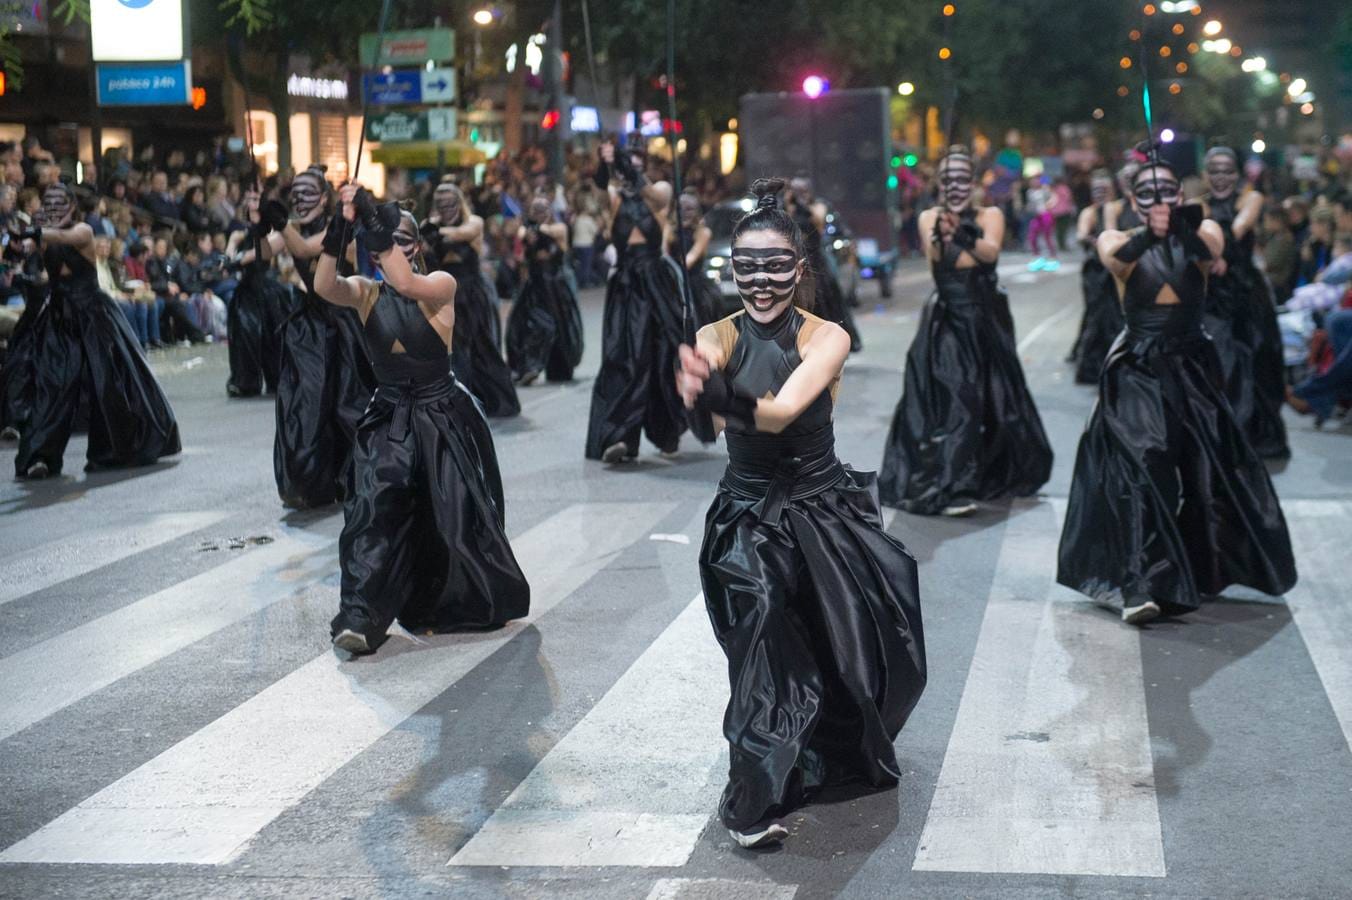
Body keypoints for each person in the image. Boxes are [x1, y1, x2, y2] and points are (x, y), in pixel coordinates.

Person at [676, 178, 925, 849]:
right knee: (757, 632)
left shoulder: (829, 339)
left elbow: (782, 411)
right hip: (747, 514)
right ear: (731, 270)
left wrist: (715, 391)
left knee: (838, 652)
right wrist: (691, 384)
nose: (762, 280)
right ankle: (754, 798)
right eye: (747, 266)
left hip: (820, 511)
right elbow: (707, 412)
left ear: (800, 267)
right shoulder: (713, 333)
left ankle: (813, 755)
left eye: (776, 265)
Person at [1057, 146, 1296, 625]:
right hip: (1137, 366)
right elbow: (1117, 257)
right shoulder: (1115, 234)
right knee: (1144, 464)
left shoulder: (1203, 228)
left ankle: (1200, 569)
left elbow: (1211, 250)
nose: (1158, 197)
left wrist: (1176, 226)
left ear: (1182, 192)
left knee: (1208, 471)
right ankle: (1139, 582)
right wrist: (1149, 232)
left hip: (1192, 363)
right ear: (1132, 196)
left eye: (1167, 189)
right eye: (1146, 191)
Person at [314, 184, 530, 655]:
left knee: (453, 520)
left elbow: (406, 283)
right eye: (390, 240)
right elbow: (325, 286)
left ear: (417, 247)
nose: (395, 248)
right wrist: (338, 230)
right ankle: (361, 615)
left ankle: (457, 599)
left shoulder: (441, 286)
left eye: (403, 240)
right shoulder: (366, 293)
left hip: (440, 417)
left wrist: (372, 222)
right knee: (372, 511)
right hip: (389, 417)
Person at [878, 146, 1053, 517]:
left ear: (972, 183)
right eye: (947, 180)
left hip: (987, 321)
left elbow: (989, 254)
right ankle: (953, 483)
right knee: (957, 397)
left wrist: (962, 236)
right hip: (948, 321)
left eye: (961, 179)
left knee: (996, 399)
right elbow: (942, 257)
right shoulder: (930, 217)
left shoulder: (991, 213)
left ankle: (982, 473)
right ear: (939, 185)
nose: (954, 186)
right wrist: (961, 241)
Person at [9, 182, 179, 478]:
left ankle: (117, 449)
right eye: (47, 203)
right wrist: (18, 248)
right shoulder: (44, 235)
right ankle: (41, 457)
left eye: (59, 203)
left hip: (93, 315)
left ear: (72, 206)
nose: (52, 208)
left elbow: (63, 235)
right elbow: (30, 252)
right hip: (61, 317)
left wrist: (34, 232)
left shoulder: (83, 231)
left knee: (109, 385)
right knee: (53, 385)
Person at [257, 166, 377, 508]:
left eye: (308, 193)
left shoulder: (341, 232)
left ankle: (362, 478)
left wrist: (279, 222)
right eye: (295, 194)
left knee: (346, 405)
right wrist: (258, 222)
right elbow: (266, 252)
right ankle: (313, 480)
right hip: (309, 327)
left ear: (325, 199)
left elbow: (309, 250)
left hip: (343, 326)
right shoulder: (294, 229)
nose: (299, 200)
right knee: (307, 405)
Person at [584, 140, 687, 463]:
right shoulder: (614, 198)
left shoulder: (662, 191)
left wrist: (629, 168)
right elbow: (599, 191)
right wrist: (605, 163)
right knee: (623, 358)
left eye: (638, 164)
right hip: (625, 283)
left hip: (655, 281)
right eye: (629, 166)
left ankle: (668, 429)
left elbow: (656, 197)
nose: (632, 170)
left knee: (662, 356)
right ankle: (621, 438)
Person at [1193, 146, 1289, 460]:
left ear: (1238, 173)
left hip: (1246, 292)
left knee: (1258, 359)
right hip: (1213, 294)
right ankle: (1224, 436)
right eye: (1214, 170)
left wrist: (1217, 249)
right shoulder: (1199, 204)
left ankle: (1254, 435)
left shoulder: (1251, 198)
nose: (1221, 177)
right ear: (1206, 174)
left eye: (1227, 170)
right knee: (1219, 361)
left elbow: (1239, 227)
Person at [422, 180, 520, 417]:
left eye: (451, 203)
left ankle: (491, 400)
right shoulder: (430, 225)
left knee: (481, 347)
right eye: (440, 204)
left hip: (472, 295)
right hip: (443, 297)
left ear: (460, 202)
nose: (446, 208)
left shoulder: (473, 221)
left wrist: (433, 231)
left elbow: (464, 233)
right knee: (449, 351)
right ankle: (457, 404)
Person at [505, 195, 584, 385]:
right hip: (534, 285)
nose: (540, 214)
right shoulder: (527, 230)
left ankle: (554, 366)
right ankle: (528, 366)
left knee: (558, 327)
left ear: (550, 211)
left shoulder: (559, 228)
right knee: (527, 325)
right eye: (535, 210)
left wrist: (534, 229)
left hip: (555, 286)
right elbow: (521, 243)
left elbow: (552, 233)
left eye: (543, 210)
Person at [225, 186, 291, 397]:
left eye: (256, 199)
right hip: (245, 289)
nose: (251, 203)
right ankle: (245, 381)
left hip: (267, 290)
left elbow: (259, 254)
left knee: (273, 337)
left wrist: (238, 257)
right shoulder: (237, 233)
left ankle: (277, 379)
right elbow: (228, 260)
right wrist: (232, 246)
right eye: (248, 198)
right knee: (244, 334)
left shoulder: (275, 233)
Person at [785, 174, 862, 350]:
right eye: (796, 191)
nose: (800, 194)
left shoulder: (818, 206)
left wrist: (803, 206)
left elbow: (819, 224)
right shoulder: (790, 208)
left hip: (816, 260)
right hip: (796, 261)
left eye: (803, 190)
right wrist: (790, 204)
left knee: (825, 300)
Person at [1068, 170, 1125, 384]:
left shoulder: (1117, 209)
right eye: (1096, 190)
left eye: (1104, 189)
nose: (1100, 193)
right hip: (1096, 270)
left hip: (1115, 269)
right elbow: (1081, 234)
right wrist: (1096, 240)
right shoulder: (1089, 212)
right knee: (1097, 313)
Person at [666, 189, 721, 324]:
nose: (684, 213)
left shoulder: (703, 232)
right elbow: (663, 255)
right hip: (672, 284)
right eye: (681, 209)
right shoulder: (669, 231)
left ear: (697, 211)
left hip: (695, 288)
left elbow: (688, 262)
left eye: (689, 209)